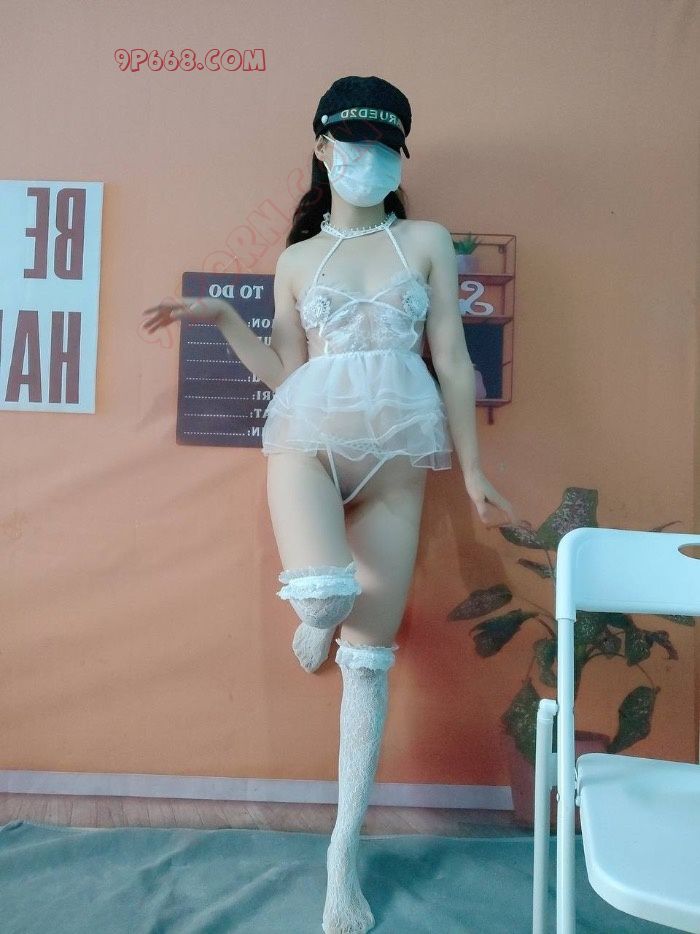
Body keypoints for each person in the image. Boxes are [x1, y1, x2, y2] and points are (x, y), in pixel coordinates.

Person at [143, 75, 519, 934]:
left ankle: (341, 855)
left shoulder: (424, 240)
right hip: (307, 441)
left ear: (399, 157)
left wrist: (472, 470)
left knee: (369, 657)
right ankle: (318, 611)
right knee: (322, 596)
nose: (369, 159)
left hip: (398, 453)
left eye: (385, 146)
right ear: (322, 149)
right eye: (354, 143)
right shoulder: (295, 259)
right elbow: (287, 372)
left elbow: (453, 360)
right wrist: (222, 318)